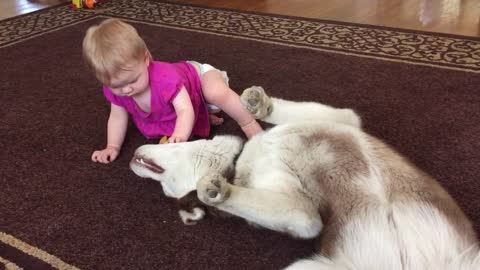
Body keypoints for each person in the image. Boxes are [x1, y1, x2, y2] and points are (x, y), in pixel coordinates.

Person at [82, 18, 263, 164]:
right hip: (179, 104)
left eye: (133, 80)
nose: (127, 89)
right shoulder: (118, 89)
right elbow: (117, 116)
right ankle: (204, 116)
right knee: (180, 113)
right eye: (116, 86)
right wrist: (112, 145)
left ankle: (249, 123)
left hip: (198, 78)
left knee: (216, 93)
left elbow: (185, 110)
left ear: (146, 59)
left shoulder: (165, 79)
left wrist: (179, 136)